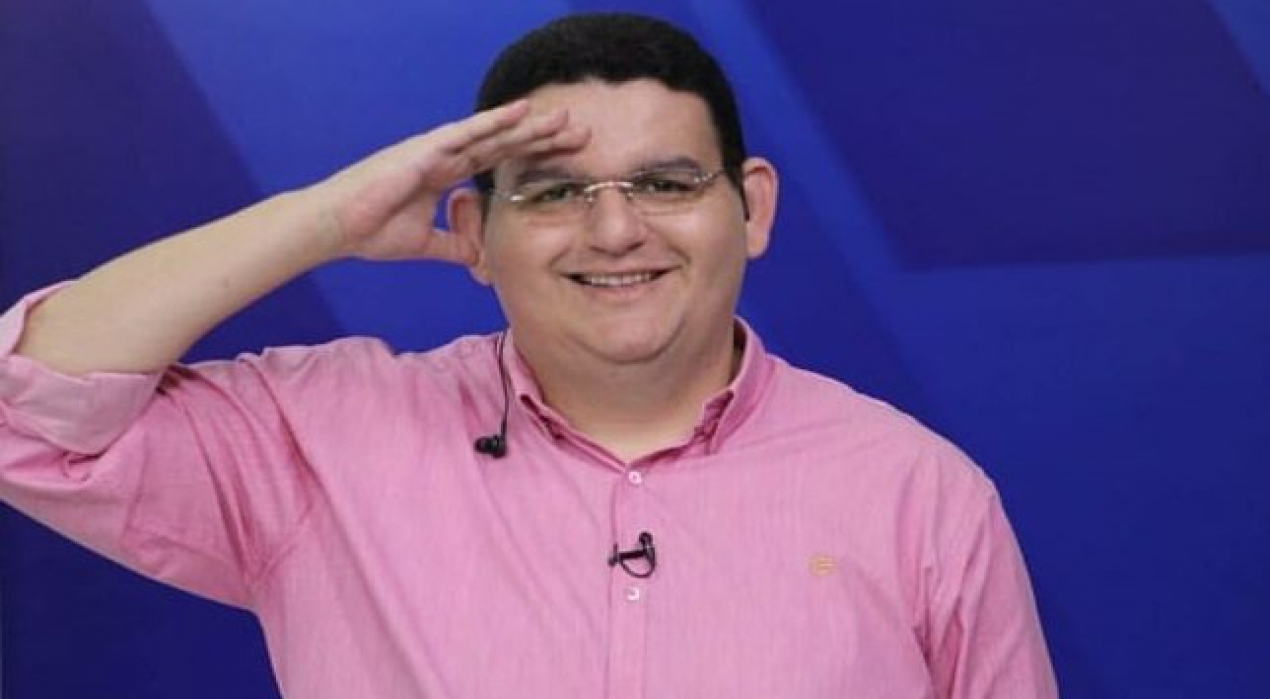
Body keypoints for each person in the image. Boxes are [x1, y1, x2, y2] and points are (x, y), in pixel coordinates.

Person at [0, 12, 1057, 699]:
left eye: (666, 183)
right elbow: (27, 414)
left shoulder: (919, 493)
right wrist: (324, 217)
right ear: (473, 232)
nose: (615, 231)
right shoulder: (320, 438)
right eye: (555, 193)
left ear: (753, 207)